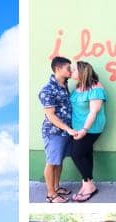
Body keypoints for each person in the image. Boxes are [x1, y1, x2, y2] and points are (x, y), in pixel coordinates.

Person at [39, 56, 79, 203]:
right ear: (58, 69)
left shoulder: (64, 85)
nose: (71, 71)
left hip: (64, 132)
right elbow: (50, 116)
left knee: (59, 160)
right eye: (68, 68)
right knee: (51, 162)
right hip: (53, 132)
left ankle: (56, 187)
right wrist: (68, 129)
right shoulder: (47, 90)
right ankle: (51, 195)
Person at [68, 61, 107, 202]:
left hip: (91, 128)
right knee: (85, 153)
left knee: (76, 154)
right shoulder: (77, 87)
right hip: (77, 128)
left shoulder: (96, 88)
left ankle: (89, 185)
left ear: (82, 71)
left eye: (74, 69)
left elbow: (93, 112)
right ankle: (87, 184)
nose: (71, 71)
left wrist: (84, 130)